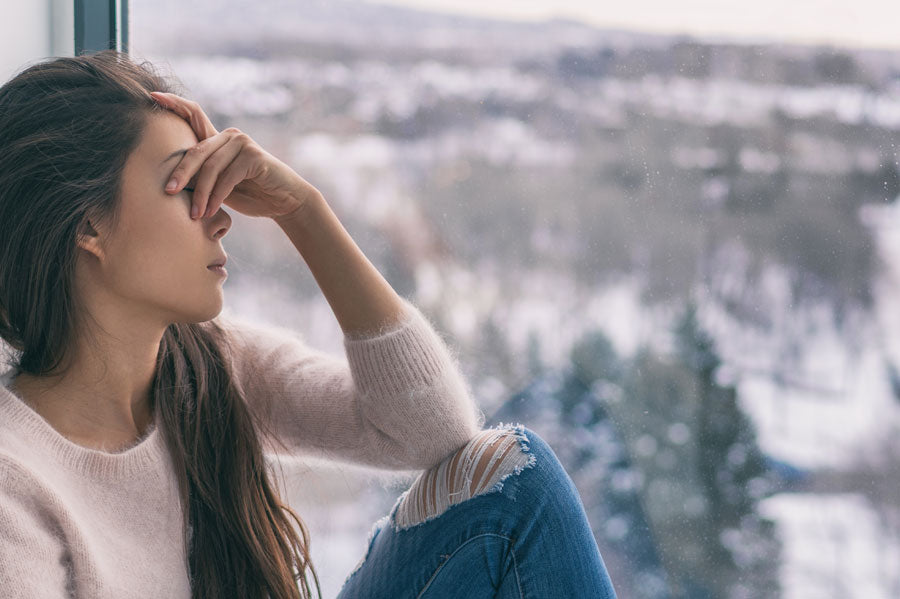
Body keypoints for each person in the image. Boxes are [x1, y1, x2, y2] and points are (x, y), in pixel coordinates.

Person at [0, 50, 617, 598]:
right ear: (89, 227)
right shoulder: (15, 481)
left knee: (516, 479)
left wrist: (303, 211)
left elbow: (432, 435)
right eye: (184, 184)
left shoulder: (210, 365)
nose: (219, 218)